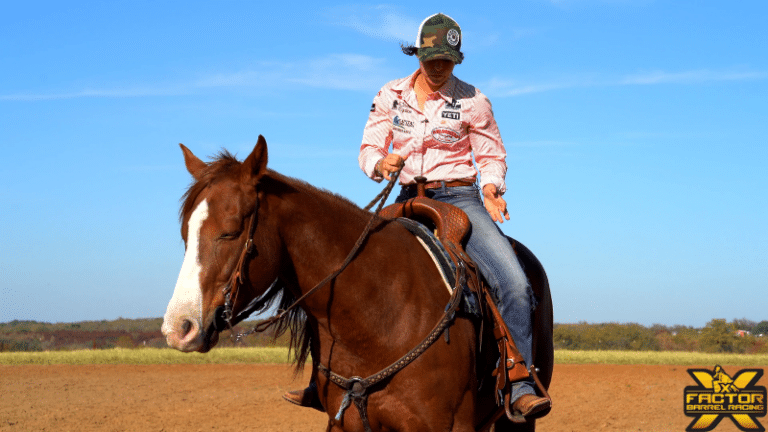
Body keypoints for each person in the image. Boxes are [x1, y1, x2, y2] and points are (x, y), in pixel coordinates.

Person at [285, 12, 550, 420]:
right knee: (343, 269)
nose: (439, 67)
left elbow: (492, 155)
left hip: (460, 198)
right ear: (419, 54)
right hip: (405, 194)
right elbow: (368, 148)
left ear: (456, 59)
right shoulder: (390, 94)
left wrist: (492, 188)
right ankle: (325, 378)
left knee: (513, 281)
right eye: (433, 59)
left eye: (447, 60)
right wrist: (381, 163)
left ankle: (519, 379)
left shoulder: (474, 100)